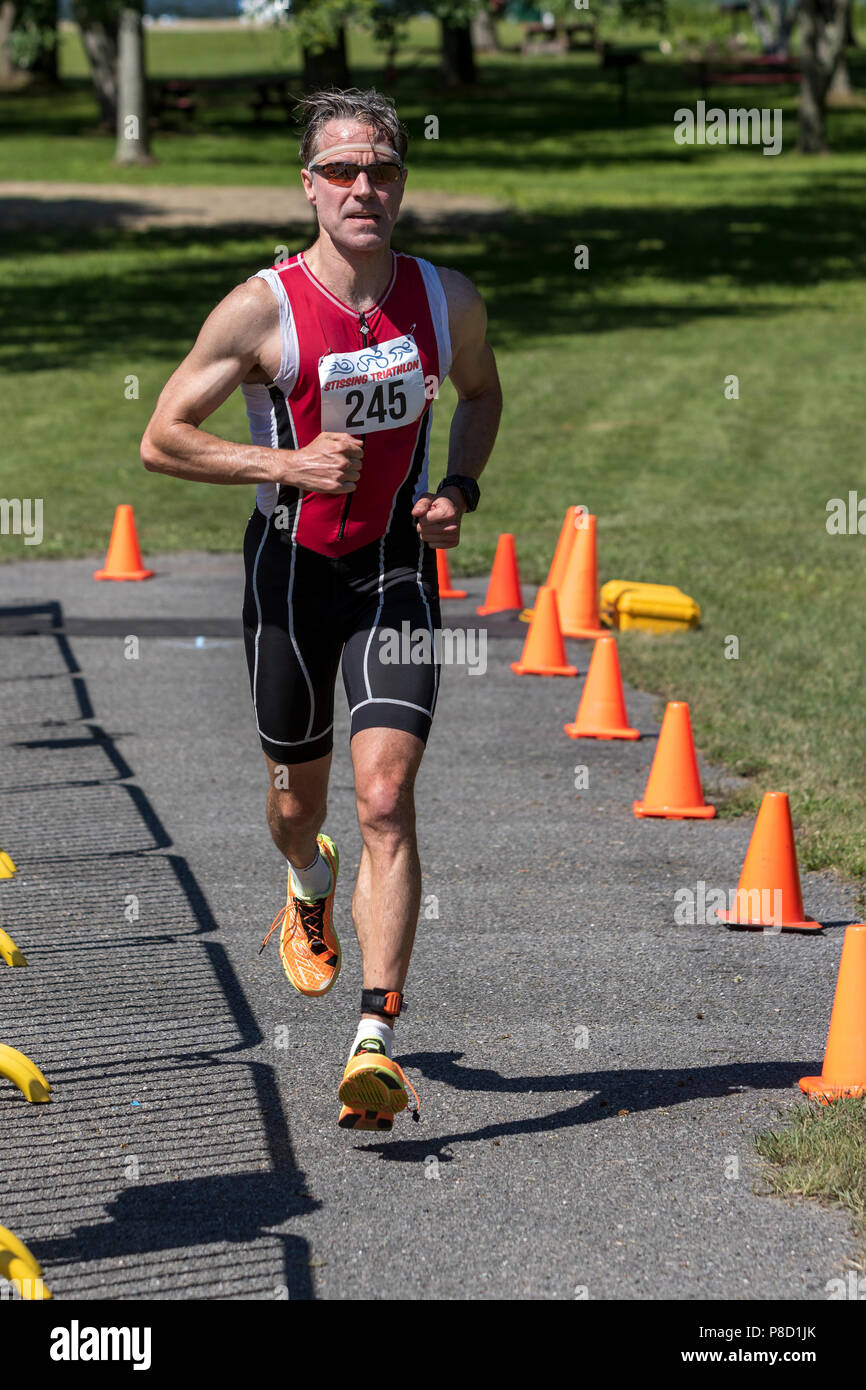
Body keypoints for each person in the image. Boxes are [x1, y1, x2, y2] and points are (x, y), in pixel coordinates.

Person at [140, 87, 502, 1131]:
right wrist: (284, 461)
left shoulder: (445, 301)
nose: (362, 187)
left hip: (393, 571)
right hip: (290, 577)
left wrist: (457, 493)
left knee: (384, 796)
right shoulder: (259, 308)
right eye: (340, 169)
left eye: (380, 169)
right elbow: (163, 435)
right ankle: (306, 877)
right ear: (308, 185)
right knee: (299, 803)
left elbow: (479, 395)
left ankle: (374, 1039)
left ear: (401, 183)